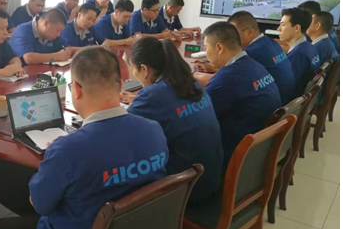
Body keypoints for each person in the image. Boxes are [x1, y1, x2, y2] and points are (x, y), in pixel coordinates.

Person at [0, 46, 169, 229]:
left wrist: (54, 159)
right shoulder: (153, 129)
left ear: (76, 90)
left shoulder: (68, 149)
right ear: (121, 85)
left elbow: (39, 205)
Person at [123, 37, 223, 202]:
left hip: (184, 192)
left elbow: (120, 132)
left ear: (144, 69)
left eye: (133, 69)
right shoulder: (193, 84)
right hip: (211, 178)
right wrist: (140, 100)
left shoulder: (152, 97)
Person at [196, 22, 281, 166]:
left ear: (219, 47)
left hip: (237, 153)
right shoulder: (255, 65)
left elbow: (198, 116)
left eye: (206, 47)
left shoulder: (227, 77)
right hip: (260, 146)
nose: (205, 52)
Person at [226, 11, 296, 105]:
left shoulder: (251, 52)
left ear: (249, 32)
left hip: (275, 105)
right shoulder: (270, 42)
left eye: (234, 34)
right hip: (287, 101)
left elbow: (225, 76)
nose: (231, 39)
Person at [277, 8, 320, 98]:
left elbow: (286, 88)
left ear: (297, 28)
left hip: (292, 102)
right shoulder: (310, 46)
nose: (278, 29)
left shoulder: (298, 55)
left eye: (283, 25)